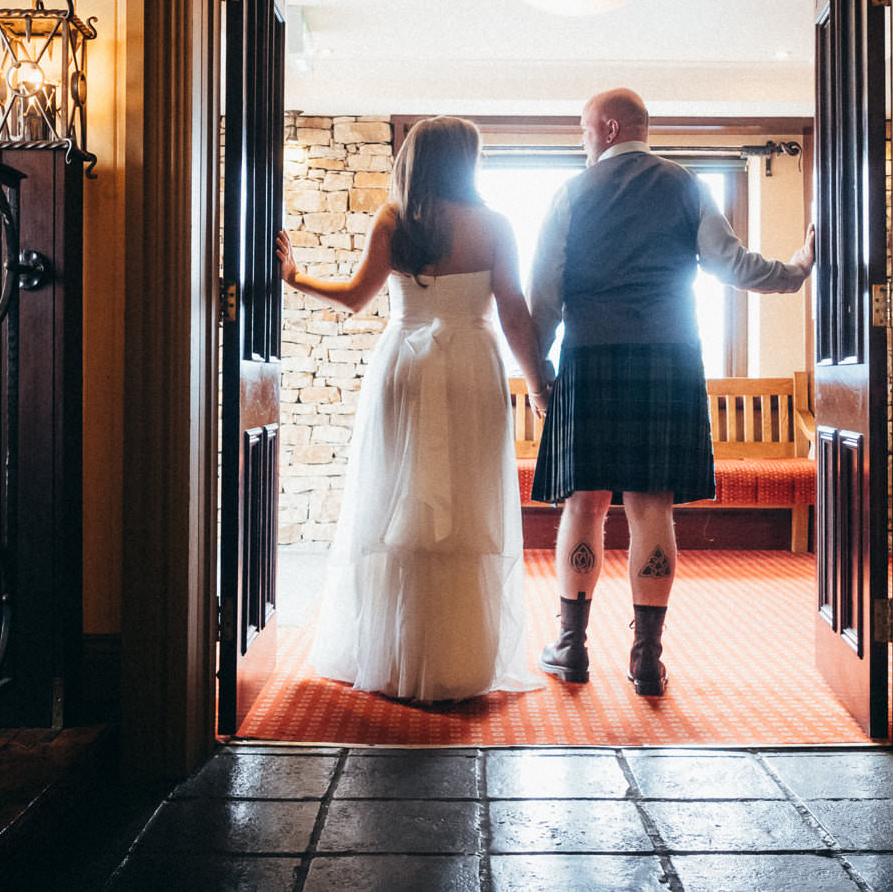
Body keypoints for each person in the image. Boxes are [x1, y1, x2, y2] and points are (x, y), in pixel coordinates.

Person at [527, 88, 816, 696]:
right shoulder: (685, 184)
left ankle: (572, 649)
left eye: (583, 132)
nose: (582, 144)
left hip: (590, 358)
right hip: (668, 360)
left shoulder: (571, 194)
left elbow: (544, 296)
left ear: (606, 127)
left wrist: (539, 374)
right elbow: (730, 264)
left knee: (583, 504)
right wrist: (795, 271)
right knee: (651, 508)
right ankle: (645, 659)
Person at [275, 115, 549, 703]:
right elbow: (514, 311)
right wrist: (539, 383)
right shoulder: (495, 224)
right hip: (473, 369)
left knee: (397, 506)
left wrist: (294, 278)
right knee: (468, 509)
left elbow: (354, 298)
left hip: (404, 366)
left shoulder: (395, 221)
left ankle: (396, 658)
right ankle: (460, 663)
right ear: (464, 163)